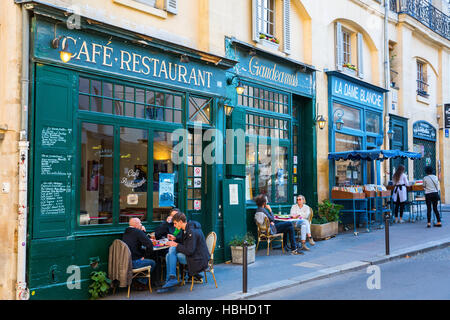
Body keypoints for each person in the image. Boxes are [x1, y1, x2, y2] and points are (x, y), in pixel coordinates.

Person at [159, 212, 210, 291]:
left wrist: (175, 244)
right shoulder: (187, 228)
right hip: (196, 256)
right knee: (169, 254)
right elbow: (186, 243)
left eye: (175, 223)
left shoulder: (191, 231)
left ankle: (171, 280)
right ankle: (170, 279)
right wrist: (175, 239)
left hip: (198, 259)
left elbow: (189, 251)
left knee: (172, 251)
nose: (174, 226)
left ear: (180, 222)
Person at [122, 218, 156, 290]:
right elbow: (149, 244)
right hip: (134, 263)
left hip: (125, 262)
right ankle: (141, 283)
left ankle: (137, 282)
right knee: (153, 262)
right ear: (136, 225)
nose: (141, 224)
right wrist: (145, 256)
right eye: (140, 223)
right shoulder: (137, 232)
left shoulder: (126, 231)